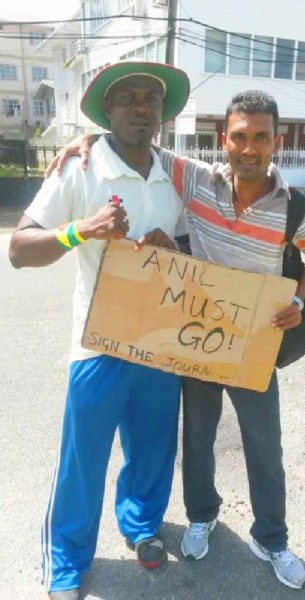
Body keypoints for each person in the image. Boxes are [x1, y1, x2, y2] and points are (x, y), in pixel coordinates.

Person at [47, 90, 305, 591]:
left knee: (265, 446)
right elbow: (136, 141)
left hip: (253, 347)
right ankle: (203, 516)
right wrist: (85, 137)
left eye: (260, 137)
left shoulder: (295, 207)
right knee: (197, 439)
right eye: (239, 136)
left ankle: (272, 538)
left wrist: (300, 300)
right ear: (225, 140)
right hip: (196, 344)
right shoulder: (197, 180)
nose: (249, 148)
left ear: (276, 142)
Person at [9, 60, 191, 600]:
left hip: (158, 343)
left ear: (161, 114)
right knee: (82, 459)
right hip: (98, 343)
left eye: (151, 99)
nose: (141, 106)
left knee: (155, 448)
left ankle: (140, 526)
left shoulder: (176, 172)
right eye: (128, 97)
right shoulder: (80, 168)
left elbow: (192, 247)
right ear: (107, 110)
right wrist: (79, 229)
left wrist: (173, 247)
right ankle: (65, 559)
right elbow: (19, 249)